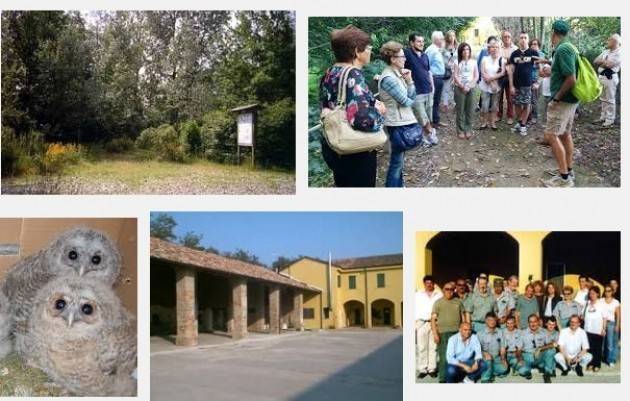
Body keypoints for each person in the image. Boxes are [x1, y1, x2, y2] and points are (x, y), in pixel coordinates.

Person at [319, 25, 386, 187]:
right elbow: (362, 119)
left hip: (335, 146)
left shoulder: (330, 72)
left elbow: (331, 106)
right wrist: (379, 111)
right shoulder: (353, 75)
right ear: (357, 51)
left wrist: (369, 102)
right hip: (356, 152)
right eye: (368, 48)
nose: (370, 51)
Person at [540, 20, 579, 188]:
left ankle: (564, 179)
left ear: (554, 32)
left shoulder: (563, 49)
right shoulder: (570, 46)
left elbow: (571, 79)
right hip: (571, 101)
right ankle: (568, 171)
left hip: (563, 101)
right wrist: (551, 69)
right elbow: (565, 72)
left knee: (551, 136)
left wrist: (556, 98)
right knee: (564, 134)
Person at [378, 41, 421, 187]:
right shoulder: (389, 78)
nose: (405, 59)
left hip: (400, 121)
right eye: (402, 56)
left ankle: (399, 185)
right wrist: (410, 83)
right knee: (396, 162)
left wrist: (409, 80)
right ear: (393, 59)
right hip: (395, 123)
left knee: (399, 160)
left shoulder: (397, 74)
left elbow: (411, 97)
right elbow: (407, 101)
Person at [404, 34, 437, 147]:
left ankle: (424, 137)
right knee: (421, 116)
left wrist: (432, 86)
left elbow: (428, 72)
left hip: (428, 89)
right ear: (412, 43)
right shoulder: (406, 54)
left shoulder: (425, 56)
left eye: (422, 41)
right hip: (416, 91)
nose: (421, 43)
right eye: (418, 41)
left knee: (428, 115)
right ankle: (431, 132)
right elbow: (399, 68)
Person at [431, 281, 465, 382]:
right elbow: (433, 319)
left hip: (456, 333)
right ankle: (442, 378)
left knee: (457, 356)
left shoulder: (458, 302)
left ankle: (456, 377)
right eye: (447, 289)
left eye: (451, 289)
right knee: (444, 357)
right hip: (443, 334)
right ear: (443, 290)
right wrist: (435, 334)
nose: (449, 291)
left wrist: (464, 330)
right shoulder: (438, 303)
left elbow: (463, 316)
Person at [507, 32, 539, 136]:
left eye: (525, 38)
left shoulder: (533, 53)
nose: (523, 39)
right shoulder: (514, 54)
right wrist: (511, 85)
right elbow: (510, 70)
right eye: (521, 38)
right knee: (516, 104)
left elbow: (540, 69)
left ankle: (523, 125)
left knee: (527, 104)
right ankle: (521, 122)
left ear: (528, 39)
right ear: (518, 39)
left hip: (527, 84)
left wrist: (538, 82)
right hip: (516, 84)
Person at [415, 275, 442, 378]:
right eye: (427, 283)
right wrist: (415, 323)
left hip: (435, 323)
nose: (429, 285)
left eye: (431, 283)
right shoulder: (418, 295)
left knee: (433, 347)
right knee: (421, 347)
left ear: (433, 284)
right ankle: (422, 369)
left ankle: (432, 368)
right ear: (424, 283)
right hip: (422, 323)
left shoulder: (439, 295)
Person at [593, 34, 622, 127]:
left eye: (609, 40)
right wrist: (603, 62)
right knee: (603, 98)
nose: (607, 41)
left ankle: (610, 119)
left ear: (614, 42)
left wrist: (602, 62)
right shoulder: (606, 51)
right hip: (602, 77)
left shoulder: (619, 52)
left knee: (610, 99)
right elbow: (595, 61)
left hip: (610, 77)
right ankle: (603, 116)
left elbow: (609, 65)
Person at [452, 42, 479, 139]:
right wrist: (462, 86)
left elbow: (476, 76)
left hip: (471, 88)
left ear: (470, 51)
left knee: (470, 109)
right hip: (459, 88)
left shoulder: (474, 62)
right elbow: (455, 75)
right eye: (463, 49)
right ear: (460, 51)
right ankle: (460, 130)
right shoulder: (457, 62)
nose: (465, 51)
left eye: (467, 49)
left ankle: (468, 129)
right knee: (460, 109)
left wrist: (469, 86)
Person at [518, 314, 555, 382]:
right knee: (522, 371)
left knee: (551, 350)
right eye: (531, 322)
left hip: (539, 355)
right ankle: (529, 370)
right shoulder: (523, 333)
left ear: (538, 322)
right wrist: (520, 359)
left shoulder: (544, 331)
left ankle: (547, 373)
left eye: (535, 321)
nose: (533, 324)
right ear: (528, 323)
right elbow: (518, 349)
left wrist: (540, 348)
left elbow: (551, 344)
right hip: (528, 356)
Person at [478, 37, 505, 130]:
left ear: (499, 48)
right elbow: (483, 72)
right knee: (485, 106)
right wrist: (490, 82)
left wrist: (492, 80)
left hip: (496, 87)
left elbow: (502, 73)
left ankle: (492, 122)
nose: (494, 49)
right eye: (492, 47)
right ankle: (484, 122)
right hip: (485, 86)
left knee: (494, 106)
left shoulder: (502, 60)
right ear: (489, 48)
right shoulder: (485, 59)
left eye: (496, 47)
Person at [425, 31, 447, 131]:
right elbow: (426, 66)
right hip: (434, 78)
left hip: (439, 78)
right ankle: (431, 122)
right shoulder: (431, 50)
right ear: (436, 39)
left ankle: (436, 120)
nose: (443, 40)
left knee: (437, 101)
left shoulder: (437, 49)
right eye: (441, 38)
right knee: (432, 101)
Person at [478, 312, 508, 382]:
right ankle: (485, 379)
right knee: (488, 361)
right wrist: (484, 353)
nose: (492, 322)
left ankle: (490, 372)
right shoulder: (480, 333)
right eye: (489, 320)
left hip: (496, 358)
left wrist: (503, 359)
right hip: (485, 359)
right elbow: (477, 350)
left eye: (494, 320)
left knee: (504, 369)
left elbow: (502, 347)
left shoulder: (500, 332)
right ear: (486, 321)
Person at [583, 286, 606, 372]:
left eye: (593, 293)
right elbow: (582, 315)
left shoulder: (601, 304)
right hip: (587, 329)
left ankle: (597, 364)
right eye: (590, 293)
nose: (591, 295)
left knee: (597, 349)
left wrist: (603, 329)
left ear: (597, 294)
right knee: (589, 348)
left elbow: (605, 317)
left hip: (598, 330)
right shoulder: (587, 303)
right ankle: (590, 363)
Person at [497, 29, 518, 124]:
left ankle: (510, 116)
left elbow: (516, 62)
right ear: (502, 38)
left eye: (508, 36)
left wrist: (507, 60)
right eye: (505, 36)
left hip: (511, 76)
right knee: (499, 97)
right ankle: (499, 115)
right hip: (500, 75)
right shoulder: (498, 48)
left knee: (510, 98)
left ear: (511, 38)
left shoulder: (515, 49)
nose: (507, 38)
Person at [601, 284, 620, 367]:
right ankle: (604, 358)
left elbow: (618, 315)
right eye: (606, 291)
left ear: (612, 292)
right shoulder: (601, 300)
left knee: (610, 343)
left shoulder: (615, 302)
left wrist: (617, 325)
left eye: (609, 291)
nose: (607, 292)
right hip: (602, 323)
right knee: (603, 342)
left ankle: (611, 360)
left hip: (611, 324)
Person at [528, 38, 545, 124]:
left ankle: (534, 116)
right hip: (528, 79)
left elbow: (542, 70)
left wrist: (538, 82)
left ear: (539, 46)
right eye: (532, 44)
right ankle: (528, 115)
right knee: (528, 99)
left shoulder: (541, 55)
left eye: (536, 44)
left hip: (537, 79)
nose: (534, 46)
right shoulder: (528, 55)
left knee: (534, 100)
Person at [441, 30, 458, 112]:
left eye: (453, 35)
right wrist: (448, 64)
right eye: (450, 36)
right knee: (446, 88)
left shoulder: (457, 46)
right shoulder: (444, 47)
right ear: (447, 37)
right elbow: (441, 60)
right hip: (447, 71)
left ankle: (456, 104)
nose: (452, 38)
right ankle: (445, 104)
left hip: (457, 71)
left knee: (456, 88)